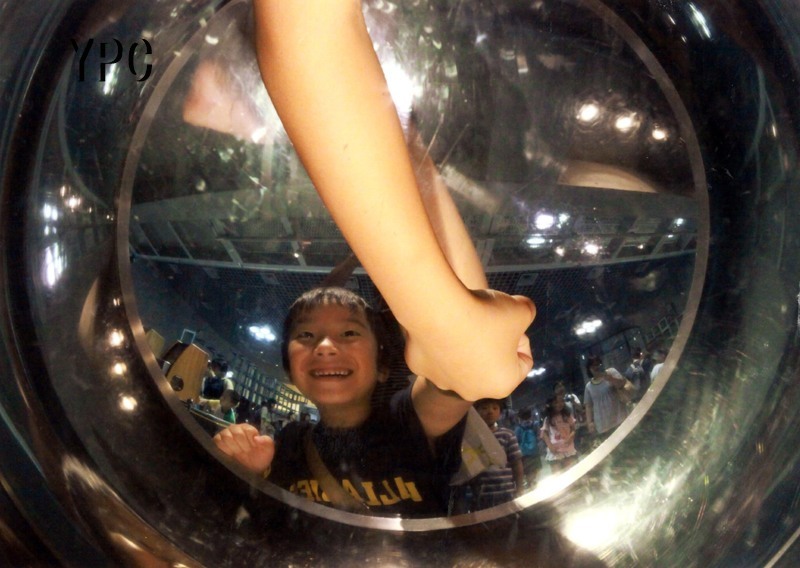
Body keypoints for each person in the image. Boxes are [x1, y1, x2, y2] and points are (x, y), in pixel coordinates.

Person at [469, 399, 524, 510]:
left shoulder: (507, 435)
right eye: (484, 408)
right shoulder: (471, 438)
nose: (490, 411)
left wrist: (519, 489)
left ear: (500, 412)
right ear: (475, 412)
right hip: (482, 497)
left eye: (495, 408)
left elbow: (516, 464)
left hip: (506, 494)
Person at [583, 356, 629, 445]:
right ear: (589, 369)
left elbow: (622, 384)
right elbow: (588, 406)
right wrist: (590, 423)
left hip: (620, 417)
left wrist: (609, 378)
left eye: (598, 364)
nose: (596, 367)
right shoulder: (588, 387)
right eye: (593, 366)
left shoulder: (611, 372)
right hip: (603, 425)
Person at [540, 396, 577, 474]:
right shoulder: (548, 419)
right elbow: (544, 434)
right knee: (557, 474)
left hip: (568, 448)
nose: (559, 404)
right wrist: (550, 446)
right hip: (555, 451)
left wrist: (570, 437)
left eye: (561, 401)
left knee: (570, 472)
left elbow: (573, 429)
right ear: (550, 404)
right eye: (556, 402)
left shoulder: (567, 416)